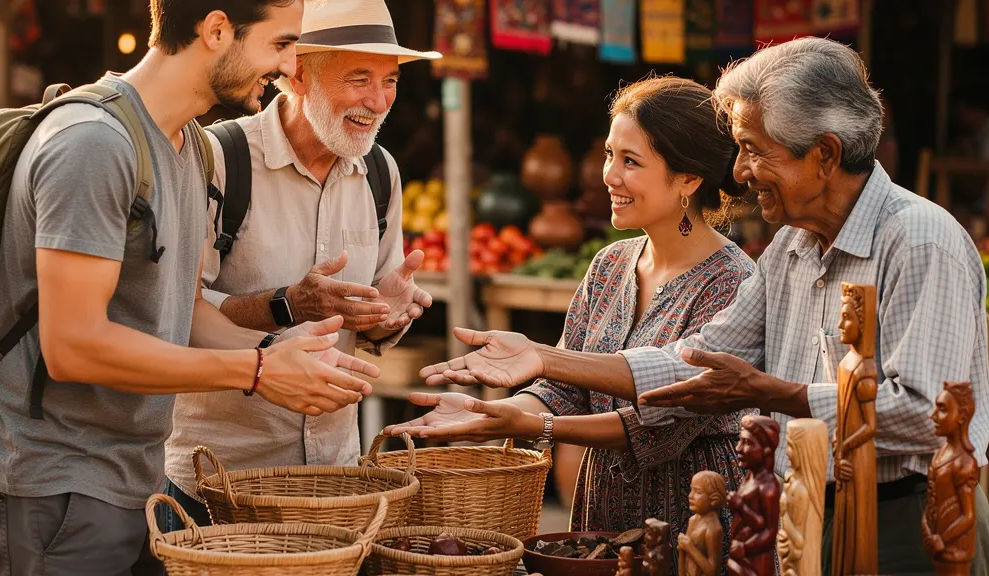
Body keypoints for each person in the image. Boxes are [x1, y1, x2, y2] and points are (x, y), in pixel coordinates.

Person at [408, 37, 989, 574]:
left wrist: (773, 393)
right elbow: (699, 360)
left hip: (912, 517)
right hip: (808, 505)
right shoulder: (791, 246)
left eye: (753, 151)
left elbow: (924, 415)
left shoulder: (919, 241)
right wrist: (541, 359)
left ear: (825, 155)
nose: (736, 173)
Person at [0, 1, 380, 574]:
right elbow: (72, 345)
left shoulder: (192, 147)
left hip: (136, 480)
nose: (288, 68)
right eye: (280, 45)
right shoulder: (93, 143)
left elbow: (179, 311)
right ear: (216, 30)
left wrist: (276, 357)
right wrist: (257, 374)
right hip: (55, 485)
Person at [387, 76, 755, 562]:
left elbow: (661, 426)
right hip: (598, 519)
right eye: (608, 154)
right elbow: (563, 389)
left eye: (631, 161)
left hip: (691, 522)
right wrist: (497, 414)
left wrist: (532, 425)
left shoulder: (734, 282)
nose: (608, 175)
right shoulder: (609, 265)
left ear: (688, 179)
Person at [162, 0, 438, 529]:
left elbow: (375, 316)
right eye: (359, 79)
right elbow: (175, 312)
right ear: (297, 74)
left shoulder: (381, 172)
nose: (378, 102)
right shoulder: (218, 159)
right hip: (217, 483)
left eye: (390, 81)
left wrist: (387, 315)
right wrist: (287, 305)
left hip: (335, 483)